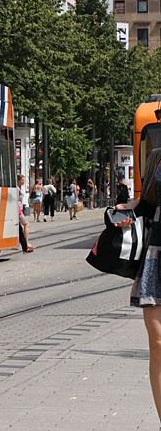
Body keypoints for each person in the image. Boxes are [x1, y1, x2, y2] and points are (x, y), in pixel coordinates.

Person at [119, 147, 161, 423]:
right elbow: (148, 203)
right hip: (157, 255)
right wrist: (128, 210)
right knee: (158, 341)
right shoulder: (157, 156)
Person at [17, 174, 34, 252]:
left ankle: (25, 244)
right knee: (26, 224)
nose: (23, 182)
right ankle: (26, 243)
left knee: (19, 228)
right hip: (18, 210)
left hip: (19, 209)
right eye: (22, 180)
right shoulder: (17, 189)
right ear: (18, 180)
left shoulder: (18, 188)